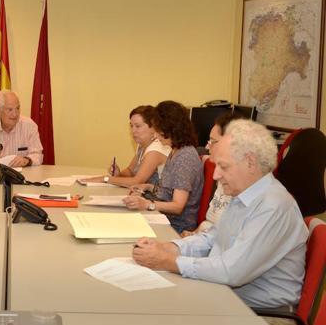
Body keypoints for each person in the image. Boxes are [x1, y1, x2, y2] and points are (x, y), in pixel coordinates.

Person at [132, 119, 307, 311]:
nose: (215, 176)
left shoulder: (274, 206)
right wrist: (167, 248)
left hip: (260, 316)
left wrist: (168, 261)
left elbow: (232, 271)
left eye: (223, 167)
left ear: (250, 162)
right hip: (227, 298)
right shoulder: (244, 194)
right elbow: (211, 239)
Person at [123, 101, 203, 233]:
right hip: (163, 217)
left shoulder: (185, 157)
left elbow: (177, 206)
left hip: (175, 226)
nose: (155, 135)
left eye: (158, 130)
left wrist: (147, 204)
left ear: (170, 128)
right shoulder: (175, 151)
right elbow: (169, 192)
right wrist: (148, 187)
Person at [180, 111, 242, 237]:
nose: (208, 147)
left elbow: (224, 245)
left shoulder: (244, 189)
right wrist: (193, 235)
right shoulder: (223, 177)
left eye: (213, 141)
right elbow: (210, 223)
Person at [83, 105, 171, 186]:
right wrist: (118, 175)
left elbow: (137, 181)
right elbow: (130, 171)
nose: (133, 131)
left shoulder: (156, 149)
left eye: (138, 126)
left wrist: (105, 179)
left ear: (153, 128)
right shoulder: (142, 145)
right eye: (131, 126)